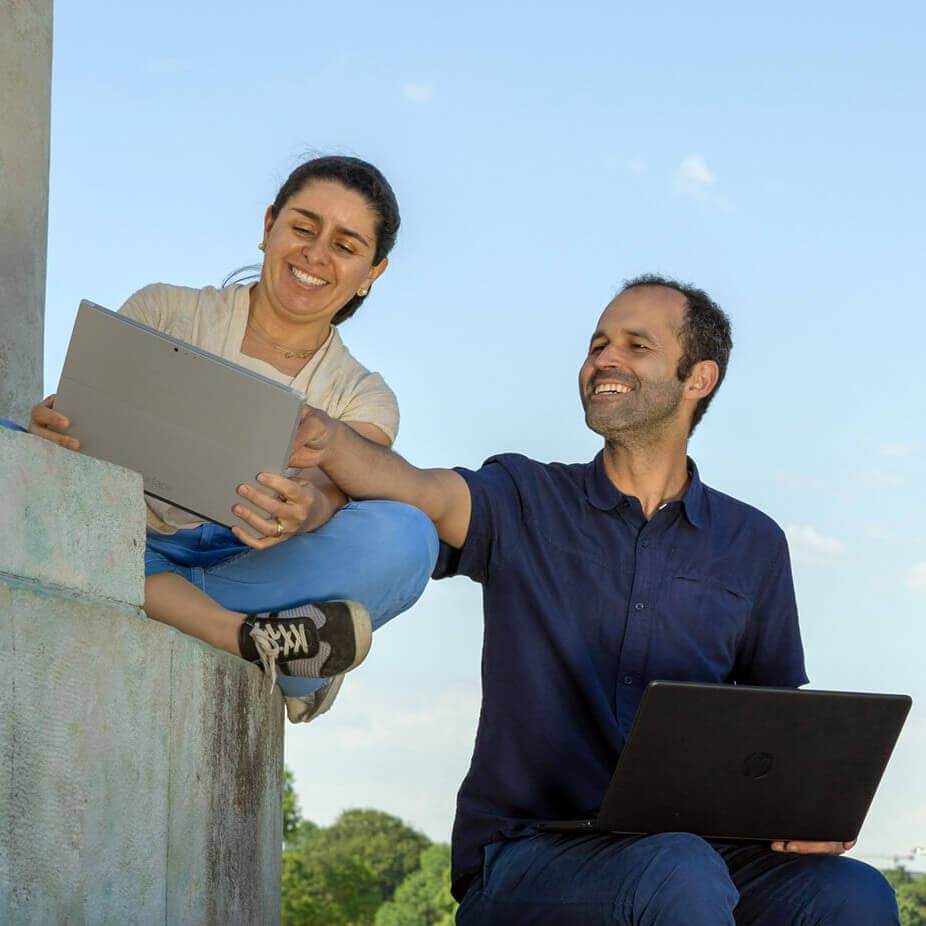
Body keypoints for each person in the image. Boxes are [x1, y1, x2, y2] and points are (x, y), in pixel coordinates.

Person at [287, 275, 899, 924]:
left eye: (637, 346)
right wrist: (329, 439)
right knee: (678, 873)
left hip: (696, 859)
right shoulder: (525, 498)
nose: (605, 359)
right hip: (528, 858)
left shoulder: (754, 545)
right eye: (598, 344)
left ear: (699, 379)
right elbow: (420, 491)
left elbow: (776, 724)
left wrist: (804, 811)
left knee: (853, 895)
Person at [24, 155, 438, 724]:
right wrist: (48, 436)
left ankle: (177, 603)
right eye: (302, 228)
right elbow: (84, 431)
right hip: (115, 534)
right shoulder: (166, 311)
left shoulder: (364, 396)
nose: (315, 256)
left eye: (345, 246)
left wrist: (307, 508)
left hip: (246, 564)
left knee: (409, 535)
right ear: (269, 226)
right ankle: (261, 641)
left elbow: (331, 490)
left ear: (373, 271)